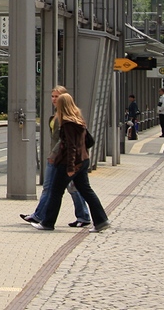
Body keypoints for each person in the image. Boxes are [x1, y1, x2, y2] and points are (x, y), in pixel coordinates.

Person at [33, 93, 110, 233]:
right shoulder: (79, 120)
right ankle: (101, 220)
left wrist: (70, 167)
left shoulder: (68, 123)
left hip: (71, 163)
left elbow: (71, 146)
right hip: (83, 160)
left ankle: (47, 223)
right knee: (86, 190)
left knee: (56, 191)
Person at [20, 85, 91, 228]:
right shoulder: (56, 115)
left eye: (57, 97)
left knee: (61, 188)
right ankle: (83, 216)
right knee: (70, 188)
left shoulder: (65, 118)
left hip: (60, 158)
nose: (54, 99)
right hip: (60, 157)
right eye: (52, 96)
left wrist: (56, 157)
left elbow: (65, 142)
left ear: (64, 98)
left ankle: (43, 217)